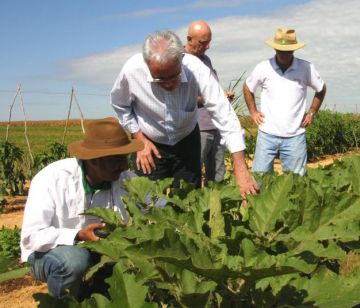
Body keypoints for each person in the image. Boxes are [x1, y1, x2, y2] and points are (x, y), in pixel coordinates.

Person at [111, 30, 258, 197]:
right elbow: (120, 106)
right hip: (149, 144)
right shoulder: (131, 71)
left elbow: (224, 113)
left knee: (189, 201)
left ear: (181, 59)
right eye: (159, 79)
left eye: (173, 77)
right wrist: (139, 139)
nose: (167, 85)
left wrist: (240, 167)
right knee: (146, 203)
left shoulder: (196, 68)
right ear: (147, 65)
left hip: (187, 141)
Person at [20, 117, 143, 298]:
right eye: (116, 159)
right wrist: (77, 235)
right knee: (74, 262)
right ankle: (63, 303)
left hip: (101, 252)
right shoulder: (52, 178)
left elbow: (158, 208)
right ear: (93, 160)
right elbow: (32, 237)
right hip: (46, 254)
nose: (124, 165)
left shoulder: (126, 179)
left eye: (125, 157)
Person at [243, 28, 327, 175]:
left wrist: (312, 112)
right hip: (267, 134)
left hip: (295, 136)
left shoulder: (306, 67)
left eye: (288, 51)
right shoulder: (263, 67)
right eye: (281, 50)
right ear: (275, 48)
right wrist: (253, 112)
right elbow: (247, 87)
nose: (284, 54)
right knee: (260, 179)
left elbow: (321, 88)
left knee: (296, 183)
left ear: (294, 50)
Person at [184, 20, 234, 186]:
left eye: (208, 42)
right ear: (189, 39)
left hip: (215, 125)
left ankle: (217, 209)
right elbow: (183, 99)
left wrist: (221, 95)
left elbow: (210, 89)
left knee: (218, 174)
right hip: (197, 128)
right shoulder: (180, 62)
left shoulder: (206, 60)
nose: (207, 46)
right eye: (203, 42)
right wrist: (210, 99)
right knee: (193, 173)